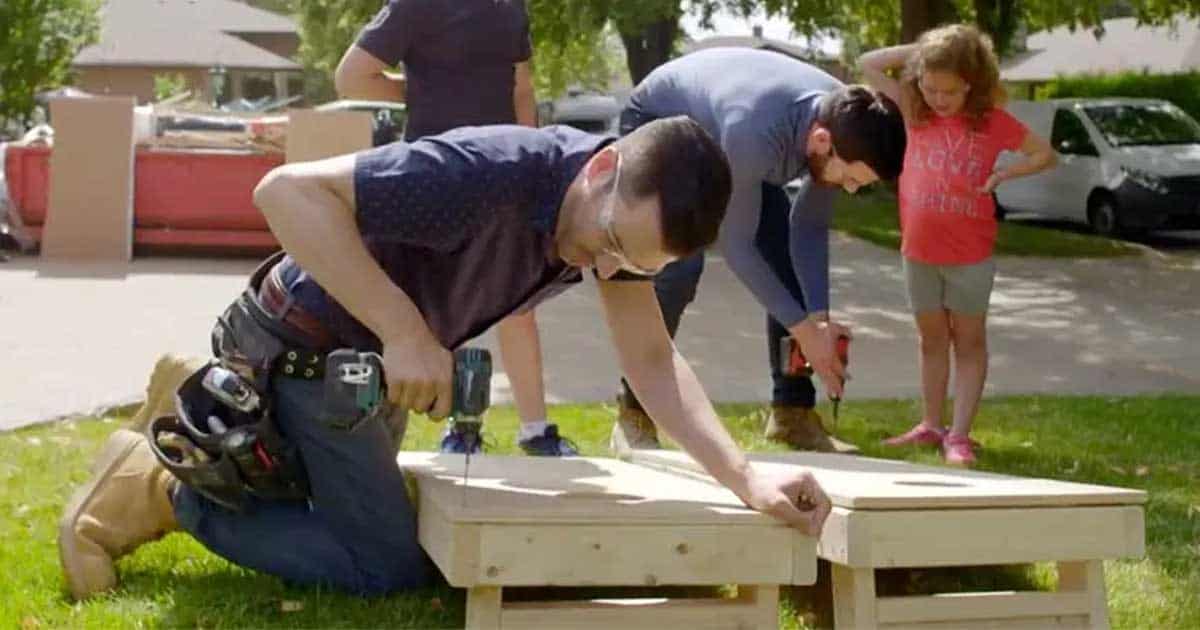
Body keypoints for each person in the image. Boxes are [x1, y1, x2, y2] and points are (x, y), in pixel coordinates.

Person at [57, 117, 833, 600]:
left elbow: (653, 365)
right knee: (384, 568)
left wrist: (747, 478)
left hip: (368, 369)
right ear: (601, 170)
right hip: (305, 348)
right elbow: (284, 192)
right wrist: (406, 332)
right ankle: (165, 489)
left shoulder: (608, 226)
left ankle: (202, 418)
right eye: (612, 243)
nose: (605, 269)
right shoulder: (484, 173)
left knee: (389, 523)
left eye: (632, 264)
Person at [601, 48, 907, 455]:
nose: (849, 189)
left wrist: (817, 321)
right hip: (662, 121)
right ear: (821, 141)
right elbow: (737, 246)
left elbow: (809, 228)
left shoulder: (846, 119)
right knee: (678, 266)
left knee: (784, 261)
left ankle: (791, 415)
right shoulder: (755, 133)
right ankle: (633, 414)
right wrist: (802, 331)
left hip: (731, 140)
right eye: (849, 178)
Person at [334, 0, 568, 456]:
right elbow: (522, 89)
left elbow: (352, 78)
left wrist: (426, 91)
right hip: (455, 169)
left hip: (471, 168)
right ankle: (510, 430)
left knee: (475, 305)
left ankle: (489, 431)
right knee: (480, 307)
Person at [859, 25, 1056, 465]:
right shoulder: (913, 109)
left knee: (968, 342)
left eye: (948, 91)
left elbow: (1044, 154)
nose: (938, 99)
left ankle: (959, 435)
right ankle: (931, 424)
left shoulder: (993, 122)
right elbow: (868, 64)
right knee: (931, 341)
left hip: (970, 254)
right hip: (919, 251)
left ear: (971, 82)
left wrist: (1005, 175)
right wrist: (928, 49)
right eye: (929, 87)